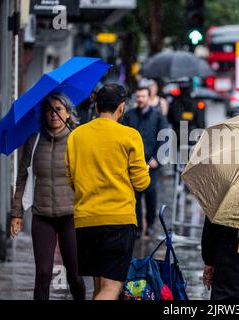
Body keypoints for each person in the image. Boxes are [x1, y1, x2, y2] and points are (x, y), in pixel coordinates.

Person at [65, 84, 151, 300]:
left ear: (96, 107)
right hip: (118, 222)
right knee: (112, 288)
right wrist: (145, 171)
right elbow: (141, 184)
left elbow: (71, 179)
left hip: (86, 221)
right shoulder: (130, 136)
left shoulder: (77, 136)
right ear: (121, 107)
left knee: (99, 288)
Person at [10, 92, 85, 300]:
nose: (53, 114)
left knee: (76, 275)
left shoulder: (77, 140)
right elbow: (22, 179)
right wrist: (16, 213)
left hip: (72, 216)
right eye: (48, 110)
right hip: (42, 216)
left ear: (68, 113)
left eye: (58, 109)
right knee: (42, 273)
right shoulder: (34, 141)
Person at [121, 87, 169, 238]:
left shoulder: (158, 116)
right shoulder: (128, 116)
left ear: (149, 97)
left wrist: (157, 158)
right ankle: (138, 227)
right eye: (138, 96)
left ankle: (150, 224)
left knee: (150, 194)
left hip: (151, 163)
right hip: (133, 162)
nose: (140, 99)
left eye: (143, 96)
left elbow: (165, 138)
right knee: (134, 196)